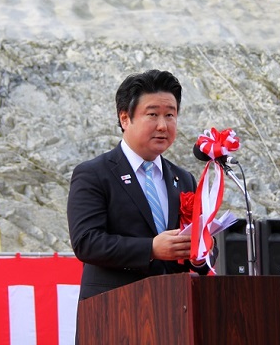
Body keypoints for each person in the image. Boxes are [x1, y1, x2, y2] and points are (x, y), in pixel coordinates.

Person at [67, 69, 214, 301]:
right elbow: (87, 242)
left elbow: (198, 249)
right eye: (153, 114)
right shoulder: (94, 173)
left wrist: (199, 253)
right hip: (114, 307)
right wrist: (151, 248)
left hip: (173, 306)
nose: (163, 125)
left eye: (170, 115)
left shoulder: (183, 178)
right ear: (125, 118)